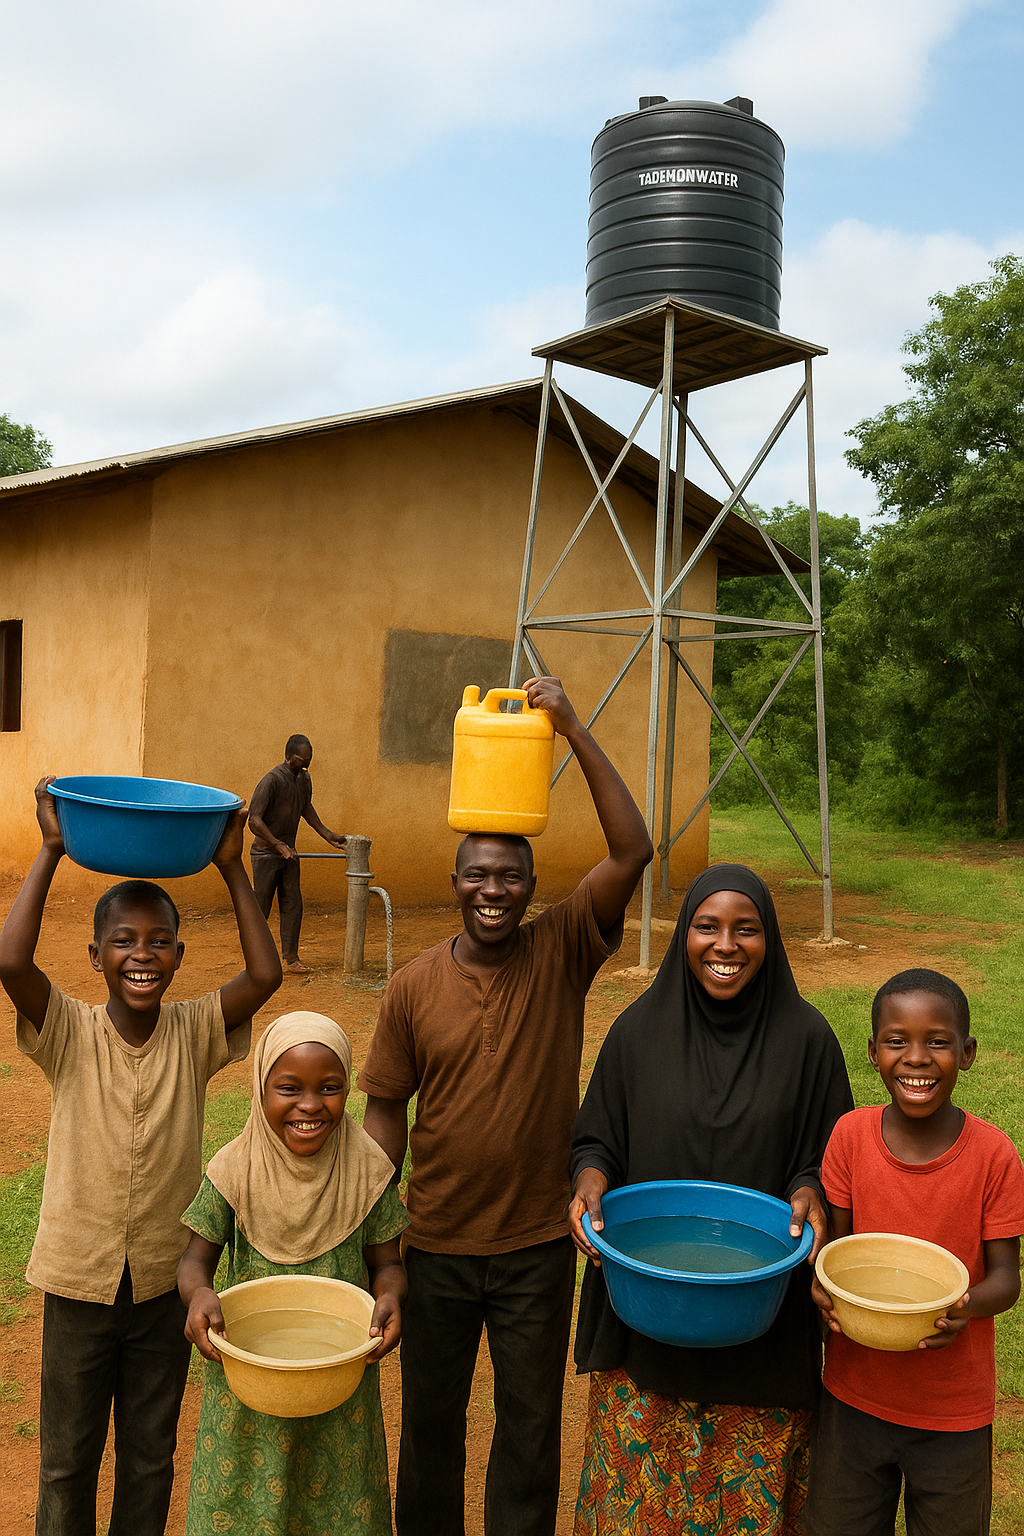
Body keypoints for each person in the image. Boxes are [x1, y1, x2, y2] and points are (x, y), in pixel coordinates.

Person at [360, 674, 652, 1536]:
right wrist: (382, 1238)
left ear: (532, 886)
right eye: (478, 877)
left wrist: (570, 728)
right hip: (437, 1246)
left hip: (534, 1246)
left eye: (511, 878)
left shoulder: (562, 949)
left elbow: (632, 850)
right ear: (455, 881)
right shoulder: (413, 986)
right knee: (432, 1432)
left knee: (529, 1432)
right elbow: (385, 1109)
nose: (495, 892)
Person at [0, 776, 282, 1536]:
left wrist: (230, 865)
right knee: (64, 1462)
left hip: (163, 1285)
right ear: (94, 957)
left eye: (158, 940)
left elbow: (265, 976)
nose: (141, 954)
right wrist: (52, 848)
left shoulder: (193, 1032)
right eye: (122, 941)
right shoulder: (68, 1032)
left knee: (150, 1459)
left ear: (180, 954)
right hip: (78, 1283)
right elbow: (11, 962)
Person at [568, 864, 854, 1535]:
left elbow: (829, 1158)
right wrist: (589, 1180)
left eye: (745, 929)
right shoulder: (638, 1033)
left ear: (770, 939)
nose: (725, 945)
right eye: (707, 926)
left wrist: (811, 1190)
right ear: (684, 936)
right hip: (644, 1319)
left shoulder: (808, 1042)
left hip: (763, 1326)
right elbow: (596, 1141)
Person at [804, 968, 1024, 1536]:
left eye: (938, 1042)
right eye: (898, 1042)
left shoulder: (994, 1157)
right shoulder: (850, 1137)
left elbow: (1006, 1279)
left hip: (953, 1413)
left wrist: (964, 1307)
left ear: (968, 1053)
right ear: (874, 1053)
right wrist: (822, 1290)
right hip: (854, 1395)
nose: (917, 1058)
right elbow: (838, 1253)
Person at [178, 1010, 408, 1536]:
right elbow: (195, 1261)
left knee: (339, 1503)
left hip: (340, 1381)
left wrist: (391, 1297)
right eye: (288, 1088)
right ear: (260, 1090)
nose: (309, 1105)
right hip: (248, 1387)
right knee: (241, 1509)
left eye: (329, 1088)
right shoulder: (233, 1169)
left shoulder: (368, 1170)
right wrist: (198, 1296)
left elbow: (388, 1262)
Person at [249, 733, 346, 974]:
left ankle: (291, 958)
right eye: (303, 760)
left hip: (289, 855)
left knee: (293, 905)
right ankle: (254, 958)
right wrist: (276, 844)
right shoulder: (271, 781)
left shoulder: (303, 779)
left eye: (309, 760)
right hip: (266, 856)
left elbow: (305, 807)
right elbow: (254, 820)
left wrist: (328, 834)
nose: (307, 764)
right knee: (261, 908)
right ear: (290, 756)